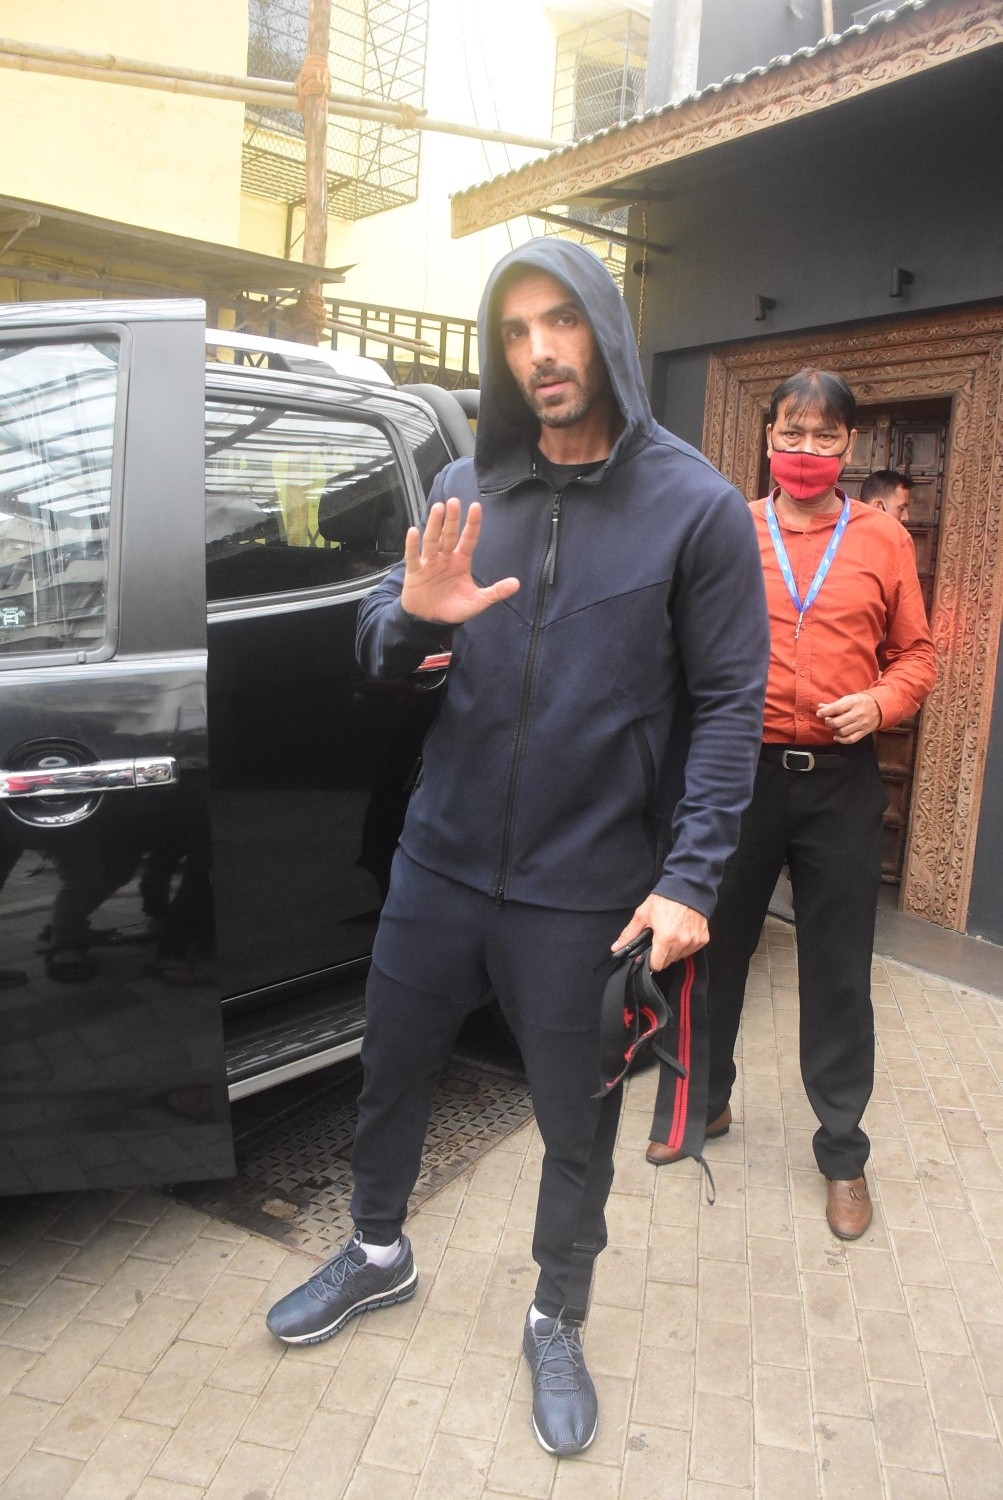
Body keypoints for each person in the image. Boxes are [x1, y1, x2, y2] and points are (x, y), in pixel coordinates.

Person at [265, 239, 770, 1456]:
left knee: (574, 1121)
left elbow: (729, 706)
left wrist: (690, 877)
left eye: (561, 322)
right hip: (439, 860)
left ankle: (557, 1308)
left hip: (583, 889)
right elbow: (384, 636)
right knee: (388, 1072)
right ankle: (379, 1249)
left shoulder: (692, 506)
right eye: (514, 331)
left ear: (603, 328)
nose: (540, 351)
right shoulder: (466, 480)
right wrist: (409, 625)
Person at [647, 370, 936, 1243]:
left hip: (840, 780)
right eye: (790, 433)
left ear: (849, 447)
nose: (804, 452)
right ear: (766, 436)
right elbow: (678, 643)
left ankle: (842, 1155)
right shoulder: (727, 527)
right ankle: (704, 1104)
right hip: (736, 775)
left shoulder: (882, 538)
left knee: (839, 972)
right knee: (707, 950)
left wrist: (881, 703)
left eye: (822, 437)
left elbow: (917, 656)